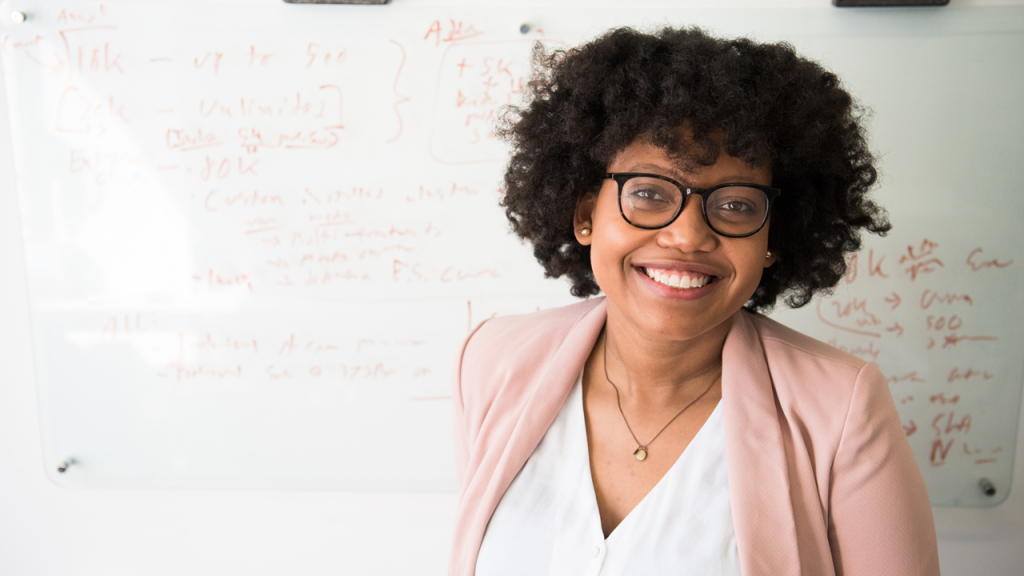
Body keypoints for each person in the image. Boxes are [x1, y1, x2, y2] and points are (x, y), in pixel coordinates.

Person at [449, 26, 940, 576]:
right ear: (586, 214)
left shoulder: (841, 408)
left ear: (773, 236)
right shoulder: (491, 361)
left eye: (734, 205)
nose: (687, 237)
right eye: (650, 193)